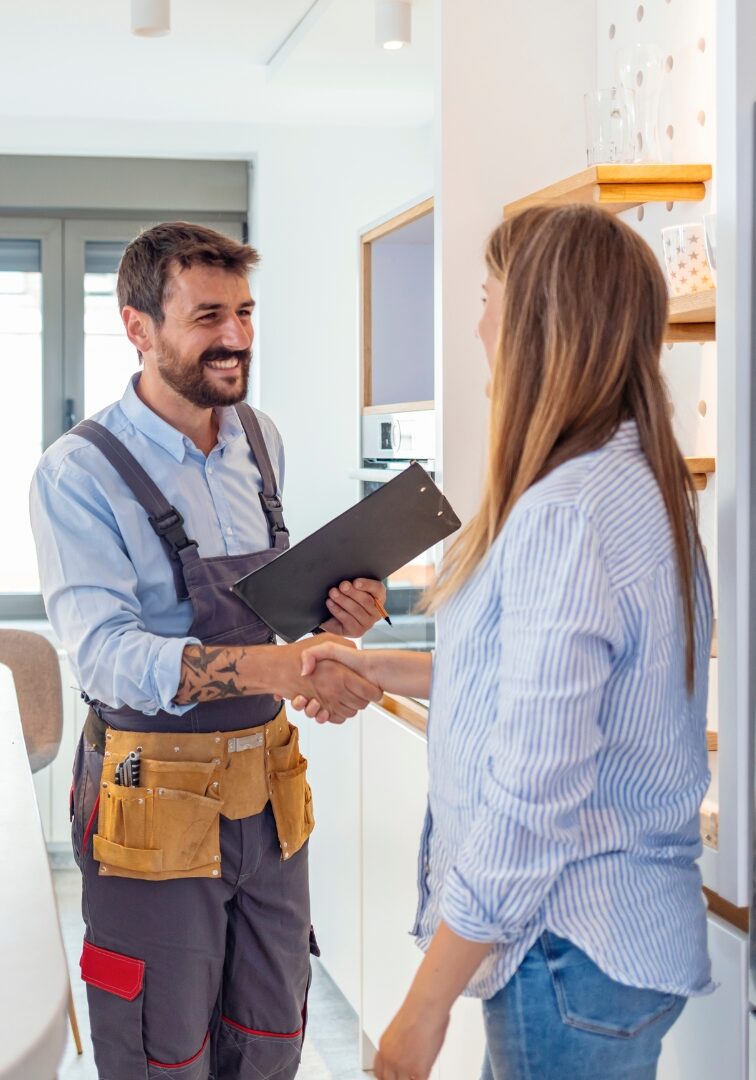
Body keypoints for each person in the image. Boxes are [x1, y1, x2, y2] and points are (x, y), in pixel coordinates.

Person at [295, 204, 714, 1080]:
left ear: (535, 322)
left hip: (563, 947)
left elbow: (534, 789)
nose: (477, 323)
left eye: (488, 297)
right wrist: (373, 665)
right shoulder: (633, 482)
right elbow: (518, 685)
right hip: (611, 951)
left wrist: (425, 1002)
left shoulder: (566, 512)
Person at [29, 221, 386, 1080]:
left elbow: (270, 614)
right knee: (163, 1049)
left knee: (269, 1035)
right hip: (153, 804)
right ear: (139, 327)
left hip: (269, 797)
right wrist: (281, 666)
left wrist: (338, 620)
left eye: (246, 313)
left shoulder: (258, 440)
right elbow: (108, 656)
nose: (235, 338)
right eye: (208, 317)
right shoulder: (77, 474)